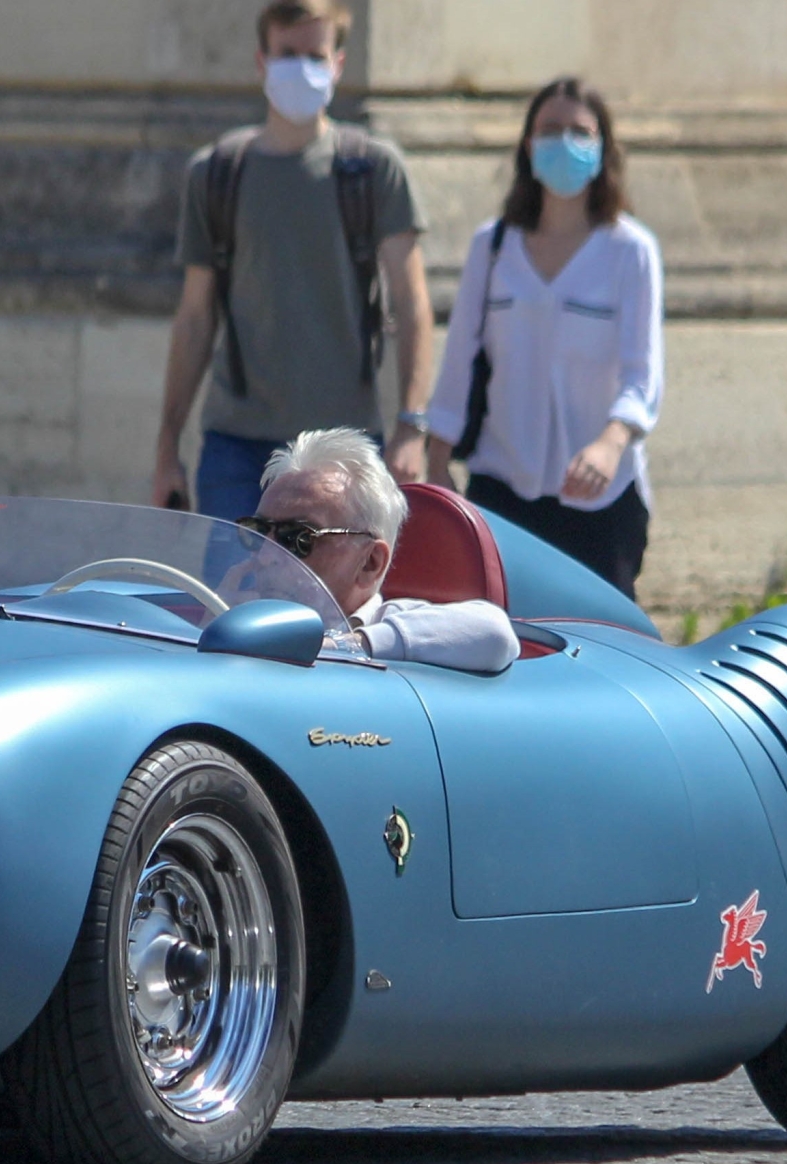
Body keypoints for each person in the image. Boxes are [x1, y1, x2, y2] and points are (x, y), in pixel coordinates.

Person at [151, 0, 437, 526]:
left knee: (338, 604)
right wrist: (168, 447)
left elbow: (412, 301)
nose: (300, 68)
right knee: (234, 599)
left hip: (345, 447)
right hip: (236, 446)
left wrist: (411, 428)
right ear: (261, 62)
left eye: (314, 54)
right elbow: (194, 317)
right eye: (287, 54)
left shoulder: (373, 170)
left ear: (338, 65)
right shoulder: (216, 173)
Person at [423, 76, 663, 600]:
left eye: (580, 132)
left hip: (599, 498)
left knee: (599, 649)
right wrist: (437, 461)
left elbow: (642, 375)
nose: (564, 143)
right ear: (528, 145)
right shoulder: (493, 246)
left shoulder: (630, 251)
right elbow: (460, 359)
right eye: (550, 130)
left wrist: (609, 444)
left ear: (603, 149)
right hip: (502, 489)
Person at [247, 428, 518, 674]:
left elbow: (495, 633)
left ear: (370, 563)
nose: (265, 556)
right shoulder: (238, 611)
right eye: (257, 532)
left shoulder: (389, 621)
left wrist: (347, 645)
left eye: (297, 537)